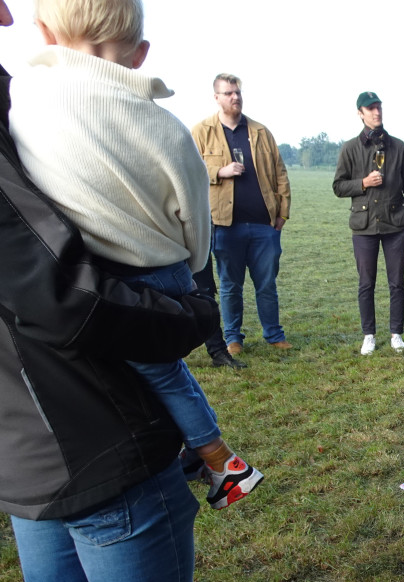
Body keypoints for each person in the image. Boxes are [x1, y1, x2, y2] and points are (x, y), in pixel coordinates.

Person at [0, 0, 275, 582]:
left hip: (24, 439)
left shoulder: (22, 112)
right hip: (96, 433)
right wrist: (190, 313)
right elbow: (65, 300)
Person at [9, 0, 263, 511]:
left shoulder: (26, 98)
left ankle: (222, 460)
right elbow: (194, 209)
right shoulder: (165, 125)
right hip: (167, 267)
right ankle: (207, 455)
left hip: (115, 276)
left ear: (42, 31)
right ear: (141, 53)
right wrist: (191, 266)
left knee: (156, 373)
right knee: (163, 370)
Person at [191, 73, 292, 355]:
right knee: (229, 286)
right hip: (225, 225)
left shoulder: (260, 132)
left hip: (264, 225)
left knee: (267, 285)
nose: (235, 97)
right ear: (216, 98)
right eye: (229, 93)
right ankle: (233, 338)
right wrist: (219, 171)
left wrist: (282, 214)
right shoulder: (201, 131)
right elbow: (190, 169)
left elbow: (280, 174)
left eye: (237, 92)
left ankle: (274, 334)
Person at [333, 91, 404, 355]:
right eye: (370, 108)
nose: (376, 112)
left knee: (397, 282)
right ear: (360, 113)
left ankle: (396, 334)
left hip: (396, 226)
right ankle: (368, 335)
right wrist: (363, 183)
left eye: (378, 107)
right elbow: (338, 186)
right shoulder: (349, 148)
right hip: (364, 226)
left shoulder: (399, 147)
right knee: (366, 283)